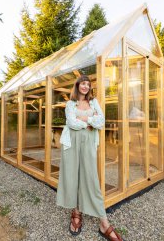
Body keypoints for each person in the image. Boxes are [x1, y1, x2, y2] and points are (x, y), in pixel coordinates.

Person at [56, 74, 123, 241]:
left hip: (88, 143)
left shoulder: (94, 102)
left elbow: (101, 122)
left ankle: (104, 222)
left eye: (88, 84)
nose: (85, 86)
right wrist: (89, 122)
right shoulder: (70, 103)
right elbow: (71, 123)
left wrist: (84, 119)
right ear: (77, 85)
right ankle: (76, 211)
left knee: (90, 178)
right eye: (82, 83)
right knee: (72, 176)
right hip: (71, 143)